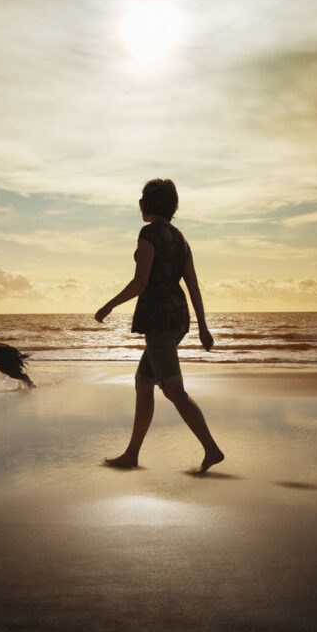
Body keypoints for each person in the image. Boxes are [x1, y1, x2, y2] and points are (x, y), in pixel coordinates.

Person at [94, 178, 224, 474]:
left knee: (173, 389)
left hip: (158, 319)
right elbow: (192, 284)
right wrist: (203, 326)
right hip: (177, 317)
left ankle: (212, 449)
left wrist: (109, 305)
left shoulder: (149, 233)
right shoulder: (180, 238)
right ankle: (131, 453)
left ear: (146, 205)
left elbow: (140, 282)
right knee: (143, 383)